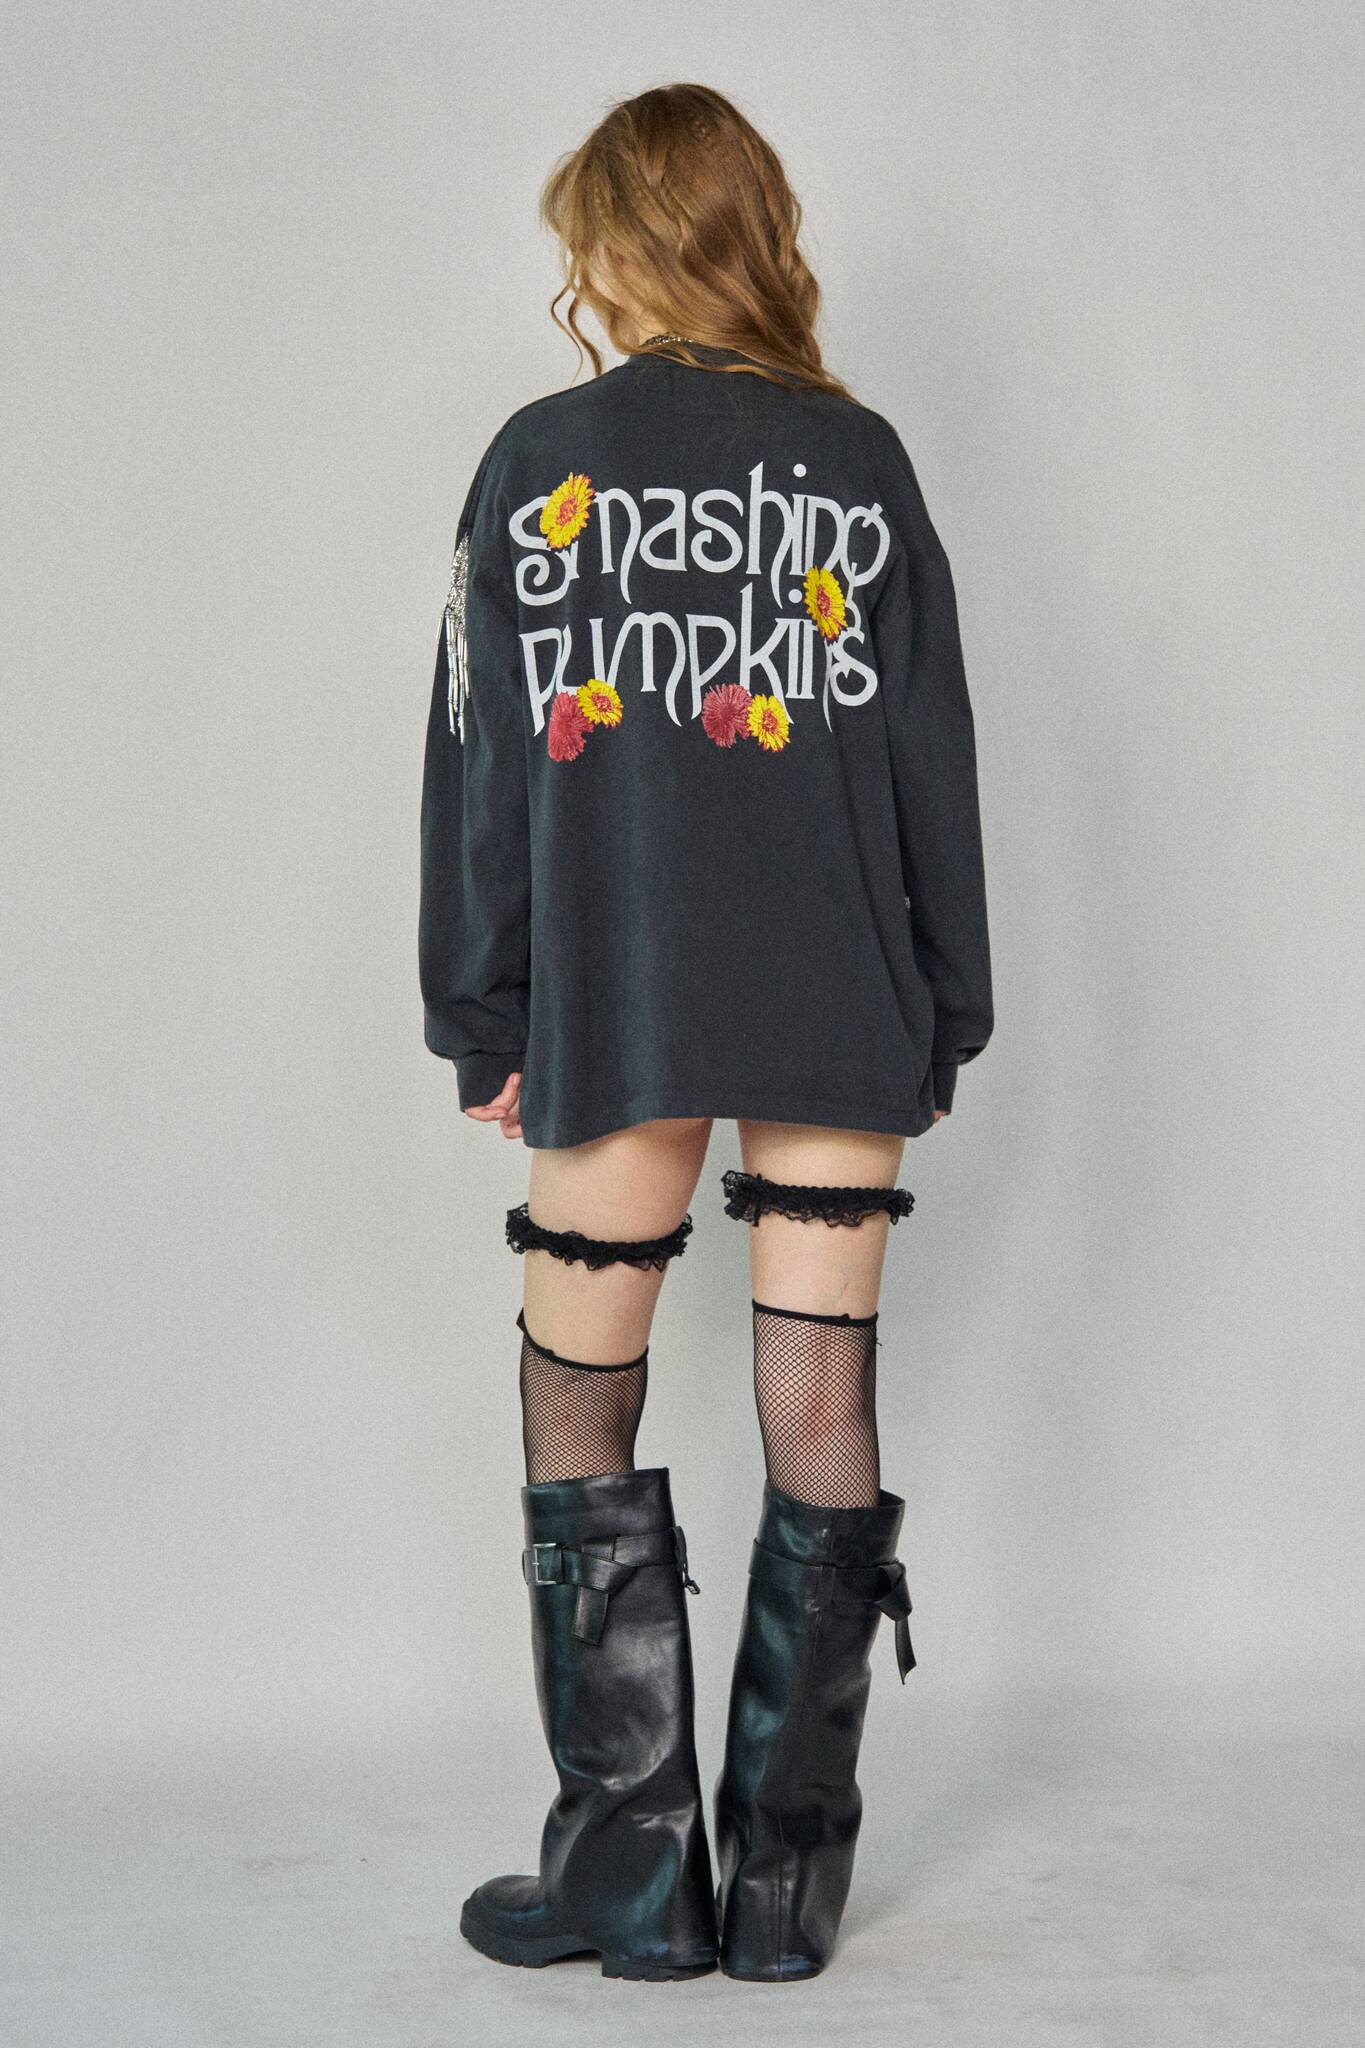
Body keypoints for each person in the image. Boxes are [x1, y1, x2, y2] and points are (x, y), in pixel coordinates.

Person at [418, 81, 993, 1984]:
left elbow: (484, 768)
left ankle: (627, 1870)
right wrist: (944, 1000)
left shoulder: (539, 462)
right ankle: (782, 1888)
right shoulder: (859, 464)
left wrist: (483, 1005)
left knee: (578, 1384)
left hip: (625, 981)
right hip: (837, 987)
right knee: (820, 1396)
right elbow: (930, 758)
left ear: (615, 239)